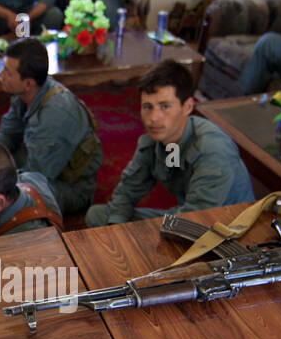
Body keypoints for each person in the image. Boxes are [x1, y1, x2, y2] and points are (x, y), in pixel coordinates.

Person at [87, 61, 255, 227]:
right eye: (147, 107)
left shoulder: (212, 151)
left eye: (164, 106)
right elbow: (127, 191)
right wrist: (116, 229)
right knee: (98, 216)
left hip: (224, 228)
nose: (153, 118)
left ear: (187, 106)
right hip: (185, 216)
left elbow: (196, 221)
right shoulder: (157, 140)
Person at [0, 38, 102, 215]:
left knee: (7, 202)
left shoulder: (56, 113)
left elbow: (36, 178)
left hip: (70, 186)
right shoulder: (24, 92)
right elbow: (6, 136)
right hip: (39, 159)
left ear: (28, 83)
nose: (0, 75)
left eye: (7, 72)